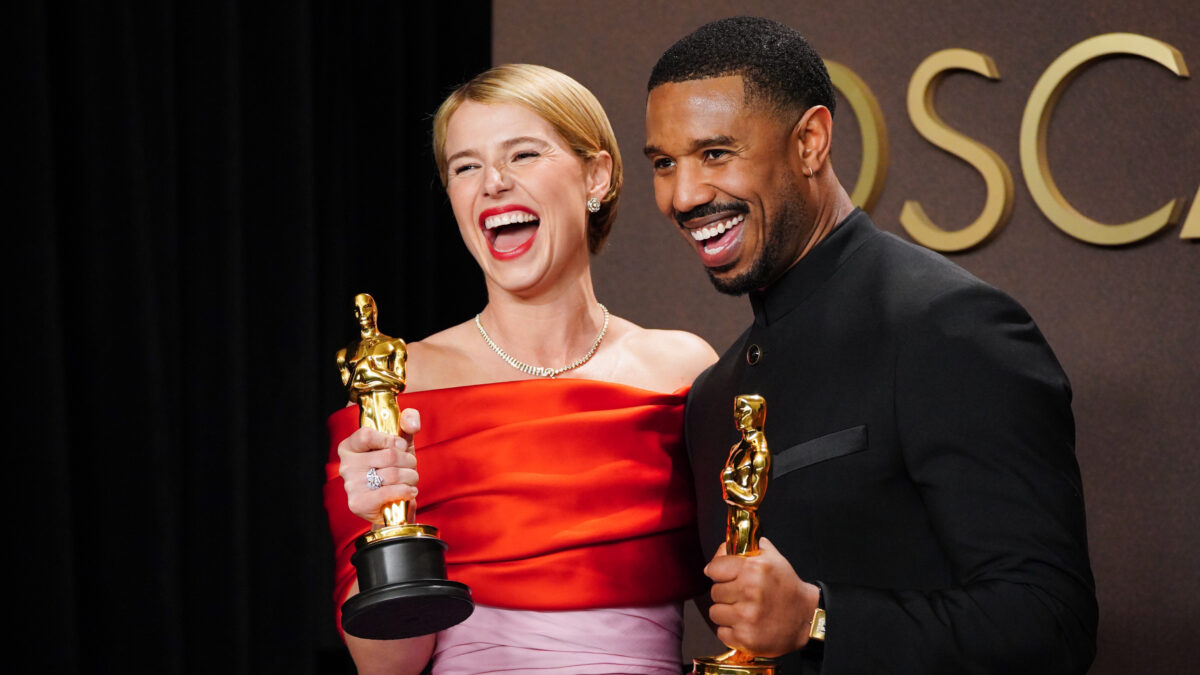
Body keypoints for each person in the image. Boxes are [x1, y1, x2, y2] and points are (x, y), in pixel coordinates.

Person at [643, 16, 1098, 674]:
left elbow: (1052, 622)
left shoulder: (951, 326)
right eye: (664, 163)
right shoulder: (714, 398)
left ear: (810, 141)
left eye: (716, 153)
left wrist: (818, 618)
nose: (683, 195)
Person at [324, 63, 718, 675]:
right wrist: (381, 512)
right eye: (465, 166)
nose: (493, 183)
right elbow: (387, 664)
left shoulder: (683, 370)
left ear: (597, 175)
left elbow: (744, 605)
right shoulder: (401, 384)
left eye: (523, 154)